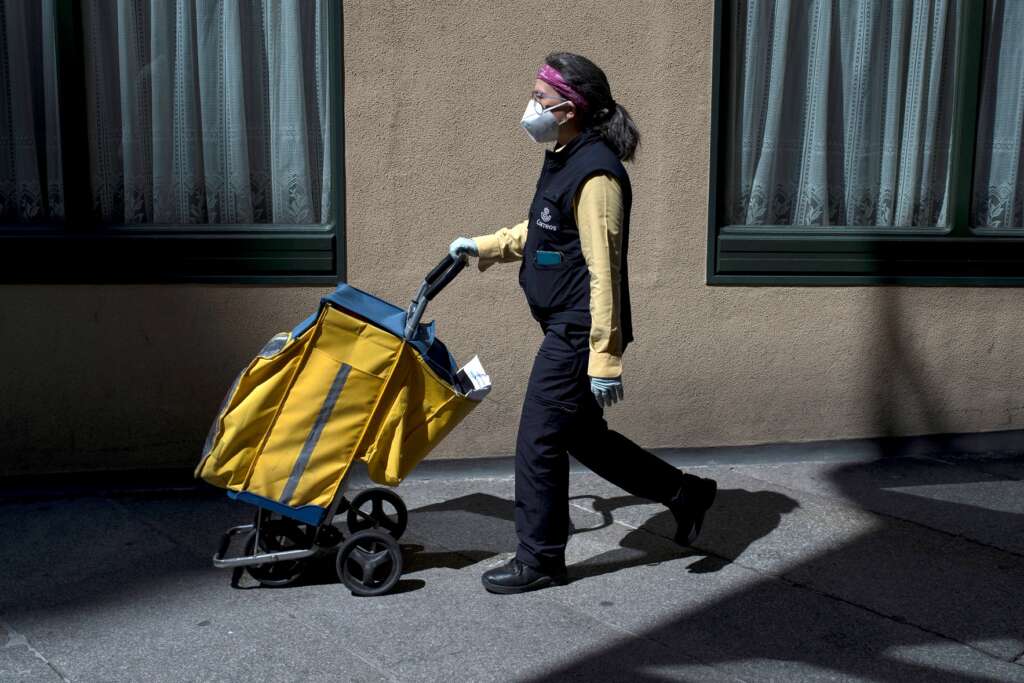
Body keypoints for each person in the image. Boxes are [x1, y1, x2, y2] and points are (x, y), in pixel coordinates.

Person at [449, 52, 717, 595]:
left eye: (540, 98)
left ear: (569, 108)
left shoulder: (598, 175)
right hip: (565, 325)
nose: (531, 107)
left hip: (578, 331)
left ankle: (541, 559)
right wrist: (484, 246)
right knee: (583, 437)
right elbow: (544, 229)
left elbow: (605, 273)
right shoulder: (567, 156)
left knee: (538, 441)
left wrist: (605, 358)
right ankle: (685, 493)